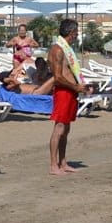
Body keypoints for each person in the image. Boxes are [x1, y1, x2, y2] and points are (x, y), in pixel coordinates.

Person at [47, 19, 87, 176]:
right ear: (71, 33)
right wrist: (75, 86)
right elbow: (57, 77)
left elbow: (70, 72)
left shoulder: (67, 49)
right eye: (76, 33)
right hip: (64, 91)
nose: (77, 36)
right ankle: (53, 165)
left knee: (66, 129)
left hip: (71, 91)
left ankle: (63, 162)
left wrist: (81, 86)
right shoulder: (58, 50)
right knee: (59, 128)